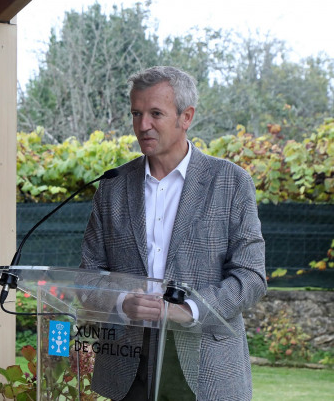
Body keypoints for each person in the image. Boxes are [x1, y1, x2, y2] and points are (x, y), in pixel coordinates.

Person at [80, 66, 267, 400]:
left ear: (186, 117)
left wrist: (190, 309)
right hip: (126, 366)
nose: (142, 125)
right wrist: (124, 302)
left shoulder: (231, 182)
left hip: (206, 367)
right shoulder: (112, 186)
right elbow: (88, 277)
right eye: (136, 113)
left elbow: (251, 277)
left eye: (155, 114)